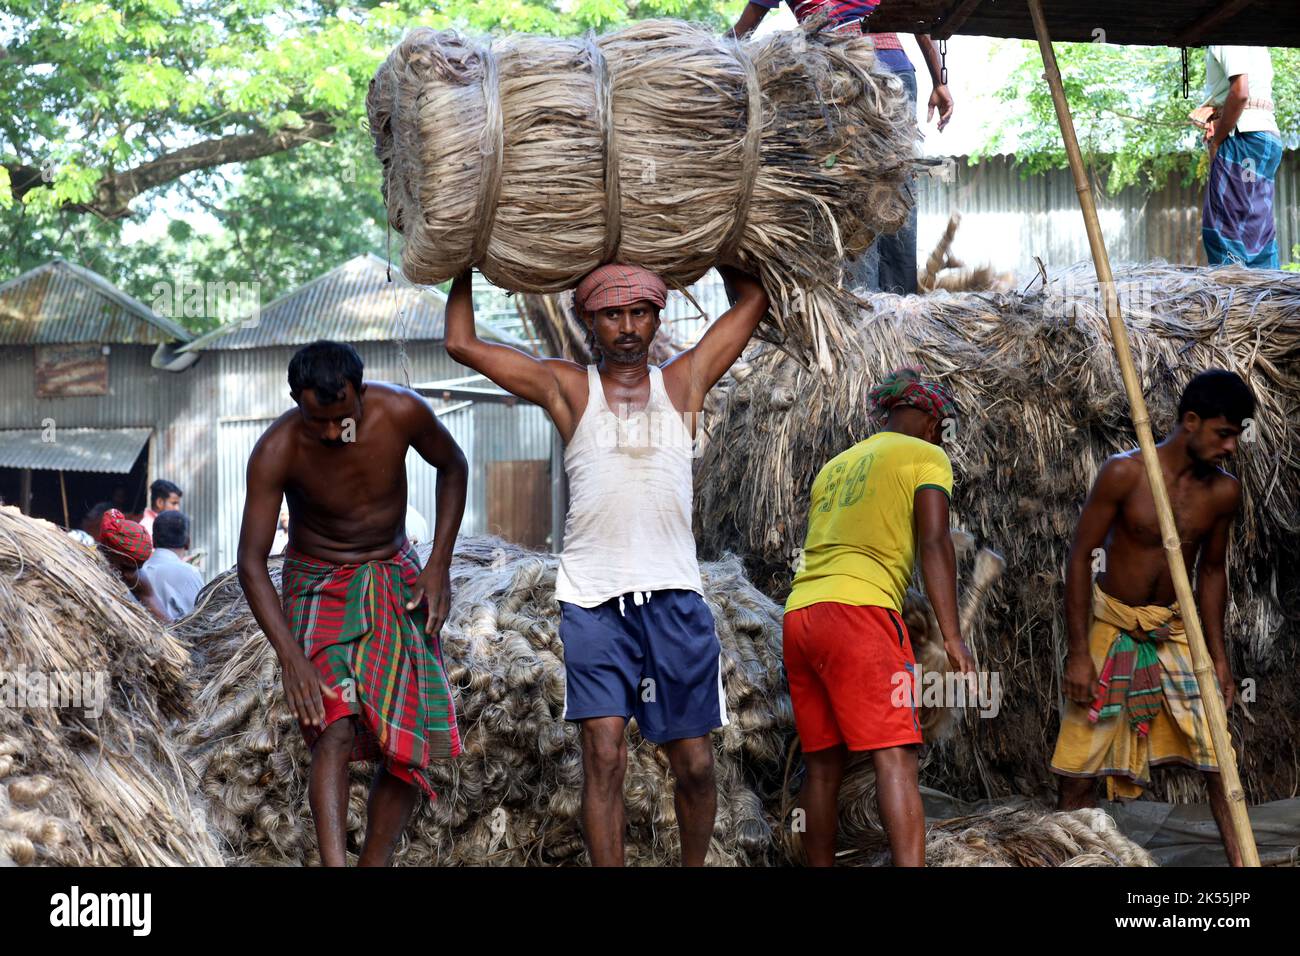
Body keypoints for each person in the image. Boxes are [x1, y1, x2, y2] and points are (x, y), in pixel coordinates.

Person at [445, 263, 770, 866]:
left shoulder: (685, 383)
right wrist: (464, 261)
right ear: (589, 320)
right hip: (593, 602)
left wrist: (723, 238)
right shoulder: (569, 389)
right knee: (604, 755)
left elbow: (750, 299)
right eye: (612, 314)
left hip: (674, 597)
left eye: (639, 313)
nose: (627, 327)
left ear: (656, 317)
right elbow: (462, 343)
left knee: (695, 763)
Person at [237, 340, 469, 867]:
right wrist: (290, 655)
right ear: (296, 400)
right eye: (315, 418)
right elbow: (250, 563)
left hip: (395, 575)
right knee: (335, 726)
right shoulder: (277, 449)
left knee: (407, 739)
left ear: (361, 392)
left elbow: (453, 467)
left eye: (341, 416)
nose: (329, 431)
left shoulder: (403, 411)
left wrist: (438, 566)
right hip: (318, 585)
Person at [1051, 370, 1255, 867]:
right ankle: (1078, 860)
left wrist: (1219, 659)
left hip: (1174, 632)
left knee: (1218, 758)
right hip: (1114, 626)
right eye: (1223, 433)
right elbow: (1080, 558)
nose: (1231, 446)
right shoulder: (1126, 473)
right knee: (1078, 769)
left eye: (1236, 435)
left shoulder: (1224, 493)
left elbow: (1210, 573)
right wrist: (1080, 654)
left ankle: (1244, 866)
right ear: (1191, 421)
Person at [782, 367, 975, 866]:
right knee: (896, 757)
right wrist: (952, 637)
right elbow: (934, 541)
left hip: (802, 615)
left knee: (823, 765)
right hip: (860, 613)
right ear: (933, 422)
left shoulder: (836, 465)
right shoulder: (927, 455)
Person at [729, 0, 953, 294]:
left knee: (854, 190)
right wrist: (939, 80)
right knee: (896, 185)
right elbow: (916, 18)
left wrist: (705, 59)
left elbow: (746, 26)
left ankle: (865, 309)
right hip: (893, 66)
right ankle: (902, 308)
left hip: (841, 68)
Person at [1196, 47, 1282, 269]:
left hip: (1244, 141)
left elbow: (1241, 92)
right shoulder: (1256, 42)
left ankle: (1232, 296)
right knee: (1254, 227)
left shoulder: (1227, 33)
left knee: (1224, 227)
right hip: (1263, 139)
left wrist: (1217, 139)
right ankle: (1268, 296)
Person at [95, 508, 168, 623]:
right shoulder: (89, 569)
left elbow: (168, 624)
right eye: (125, 566)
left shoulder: (137, 579)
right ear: (107, 551)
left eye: (136, 568)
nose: (127, 573)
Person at [144, 510, 204, 620]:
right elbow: (200, 620)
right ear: (188, 542)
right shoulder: (189, 573)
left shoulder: (139, 571)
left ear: (153, 540)